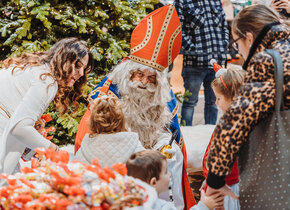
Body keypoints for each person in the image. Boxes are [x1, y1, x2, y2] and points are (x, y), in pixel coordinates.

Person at [75, 4, 196, 209]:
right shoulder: (109, 91)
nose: (143, 82)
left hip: (151, 158)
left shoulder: (163, 98)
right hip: (115, 162)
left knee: (174, 156)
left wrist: (164, 146)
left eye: (151, 78)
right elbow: (92, 134)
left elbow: (169, 130)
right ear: (129, 73)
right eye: (139, 74)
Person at [205, 4, 289, 204]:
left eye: (236, 42)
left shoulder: (267, 61)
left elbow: (235, 123)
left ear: (249, 37)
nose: (239, 50)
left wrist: (215, 177)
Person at [0, 38, 94, 177]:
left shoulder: (35, 67)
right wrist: (54, 149)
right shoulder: (46, 80)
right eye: (78, 65)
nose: (81, 73)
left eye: (84, 69)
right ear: (64, 59)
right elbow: (19, 127)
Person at [174, 0, 229, 125]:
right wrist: (194, 50)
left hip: (216, 62)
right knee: (189, 103)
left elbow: (224, 25)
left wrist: (223, 45)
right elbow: (177, 29)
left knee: (214, 102)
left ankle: (210, 138)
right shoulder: (182, 1)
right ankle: (186, 137)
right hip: (194, 64)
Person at [202, 61, 246, 210]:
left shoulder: (232, 126)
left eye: (219, 98)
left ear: (233, 98)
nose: (216, 102)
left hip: (226, 187)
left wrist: (213, 182)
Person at [126, 150, 224, 210]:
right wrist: (204, 206)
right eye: (165, 172)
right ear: (153, 182)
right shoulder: (161, 207)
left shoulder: (129, 201)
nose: (169, 174)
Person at [75, 96, 144, 167]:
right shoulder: (134, 144)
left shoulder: (85, 147)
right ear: (122, 121)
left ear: (92, 122)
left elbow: (76, 171)